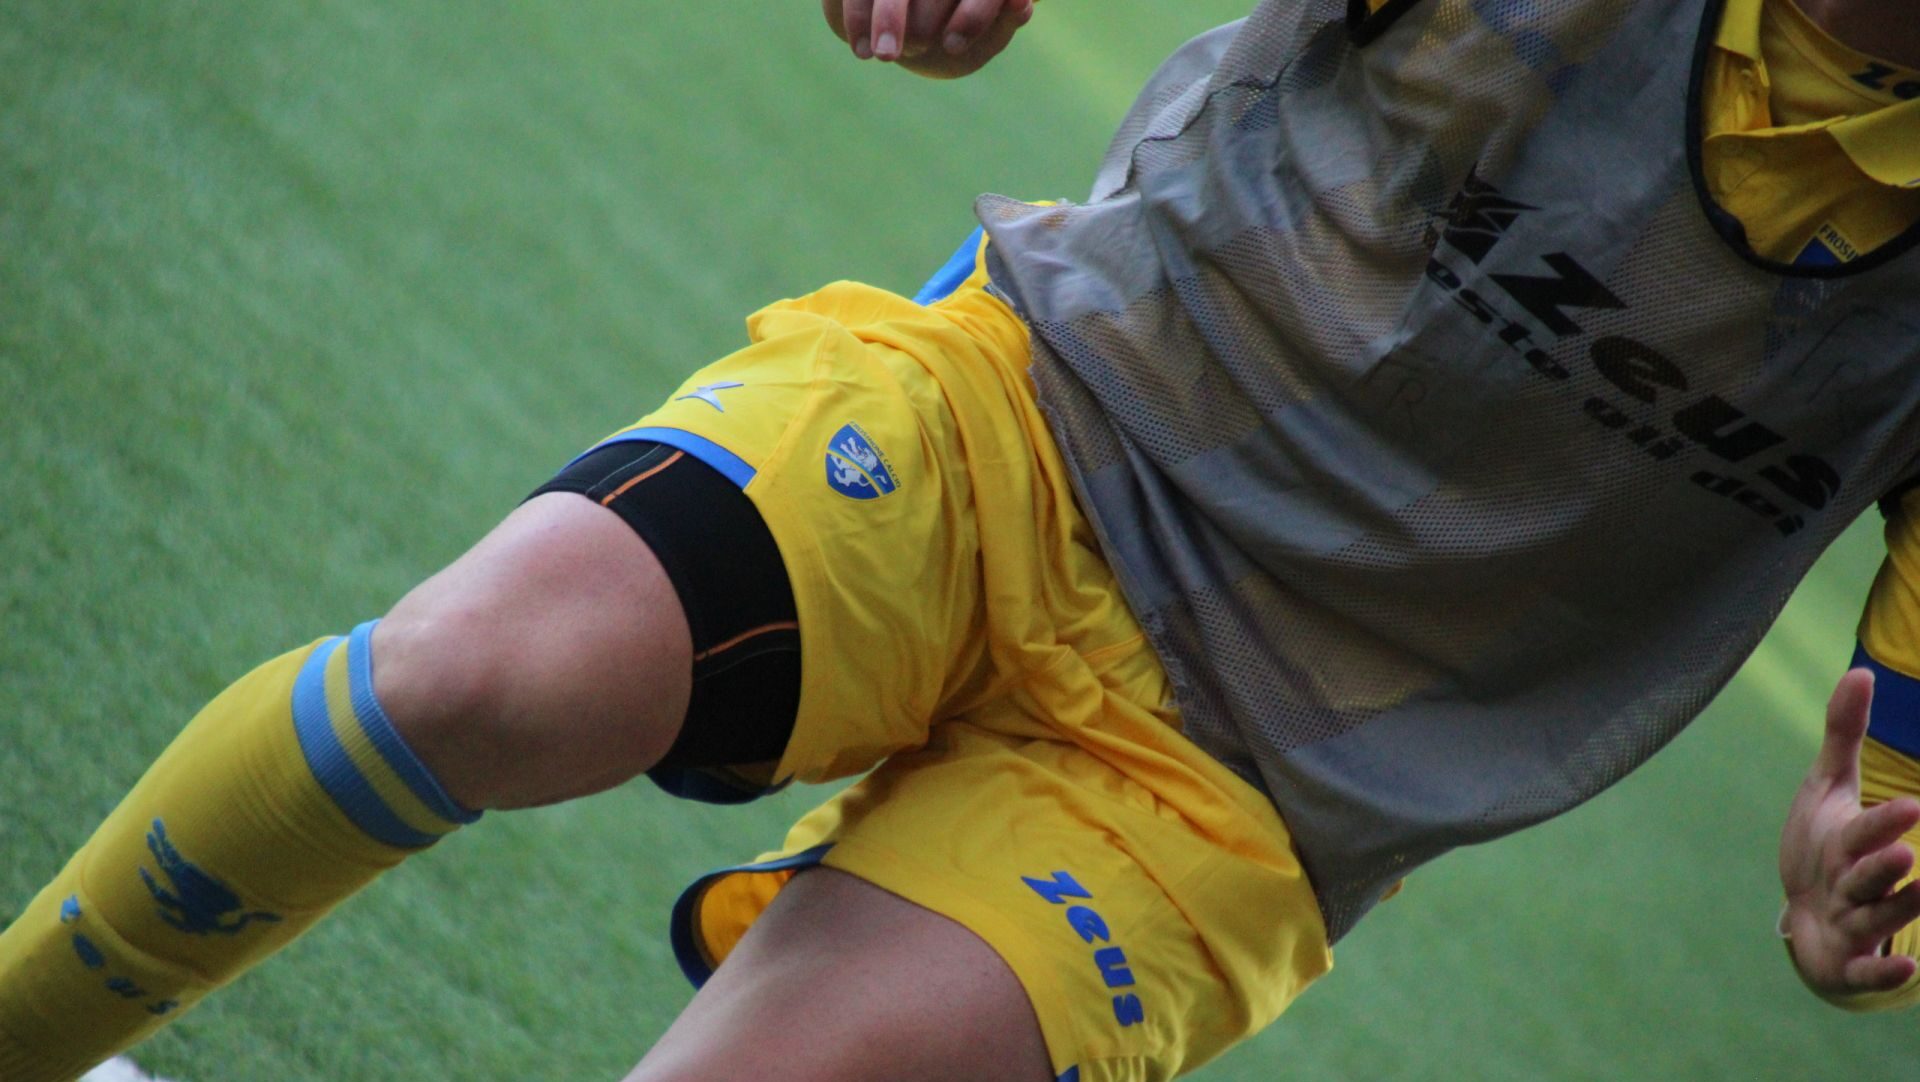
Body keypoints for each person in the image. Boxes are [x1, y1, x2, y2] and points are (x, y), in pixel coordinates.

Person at [4, 0, 1920, 1078]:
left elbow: (1893, 794)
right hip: (1031, 419)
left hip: (1259, 786)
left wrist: (1859, 889)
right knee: (481, 672)